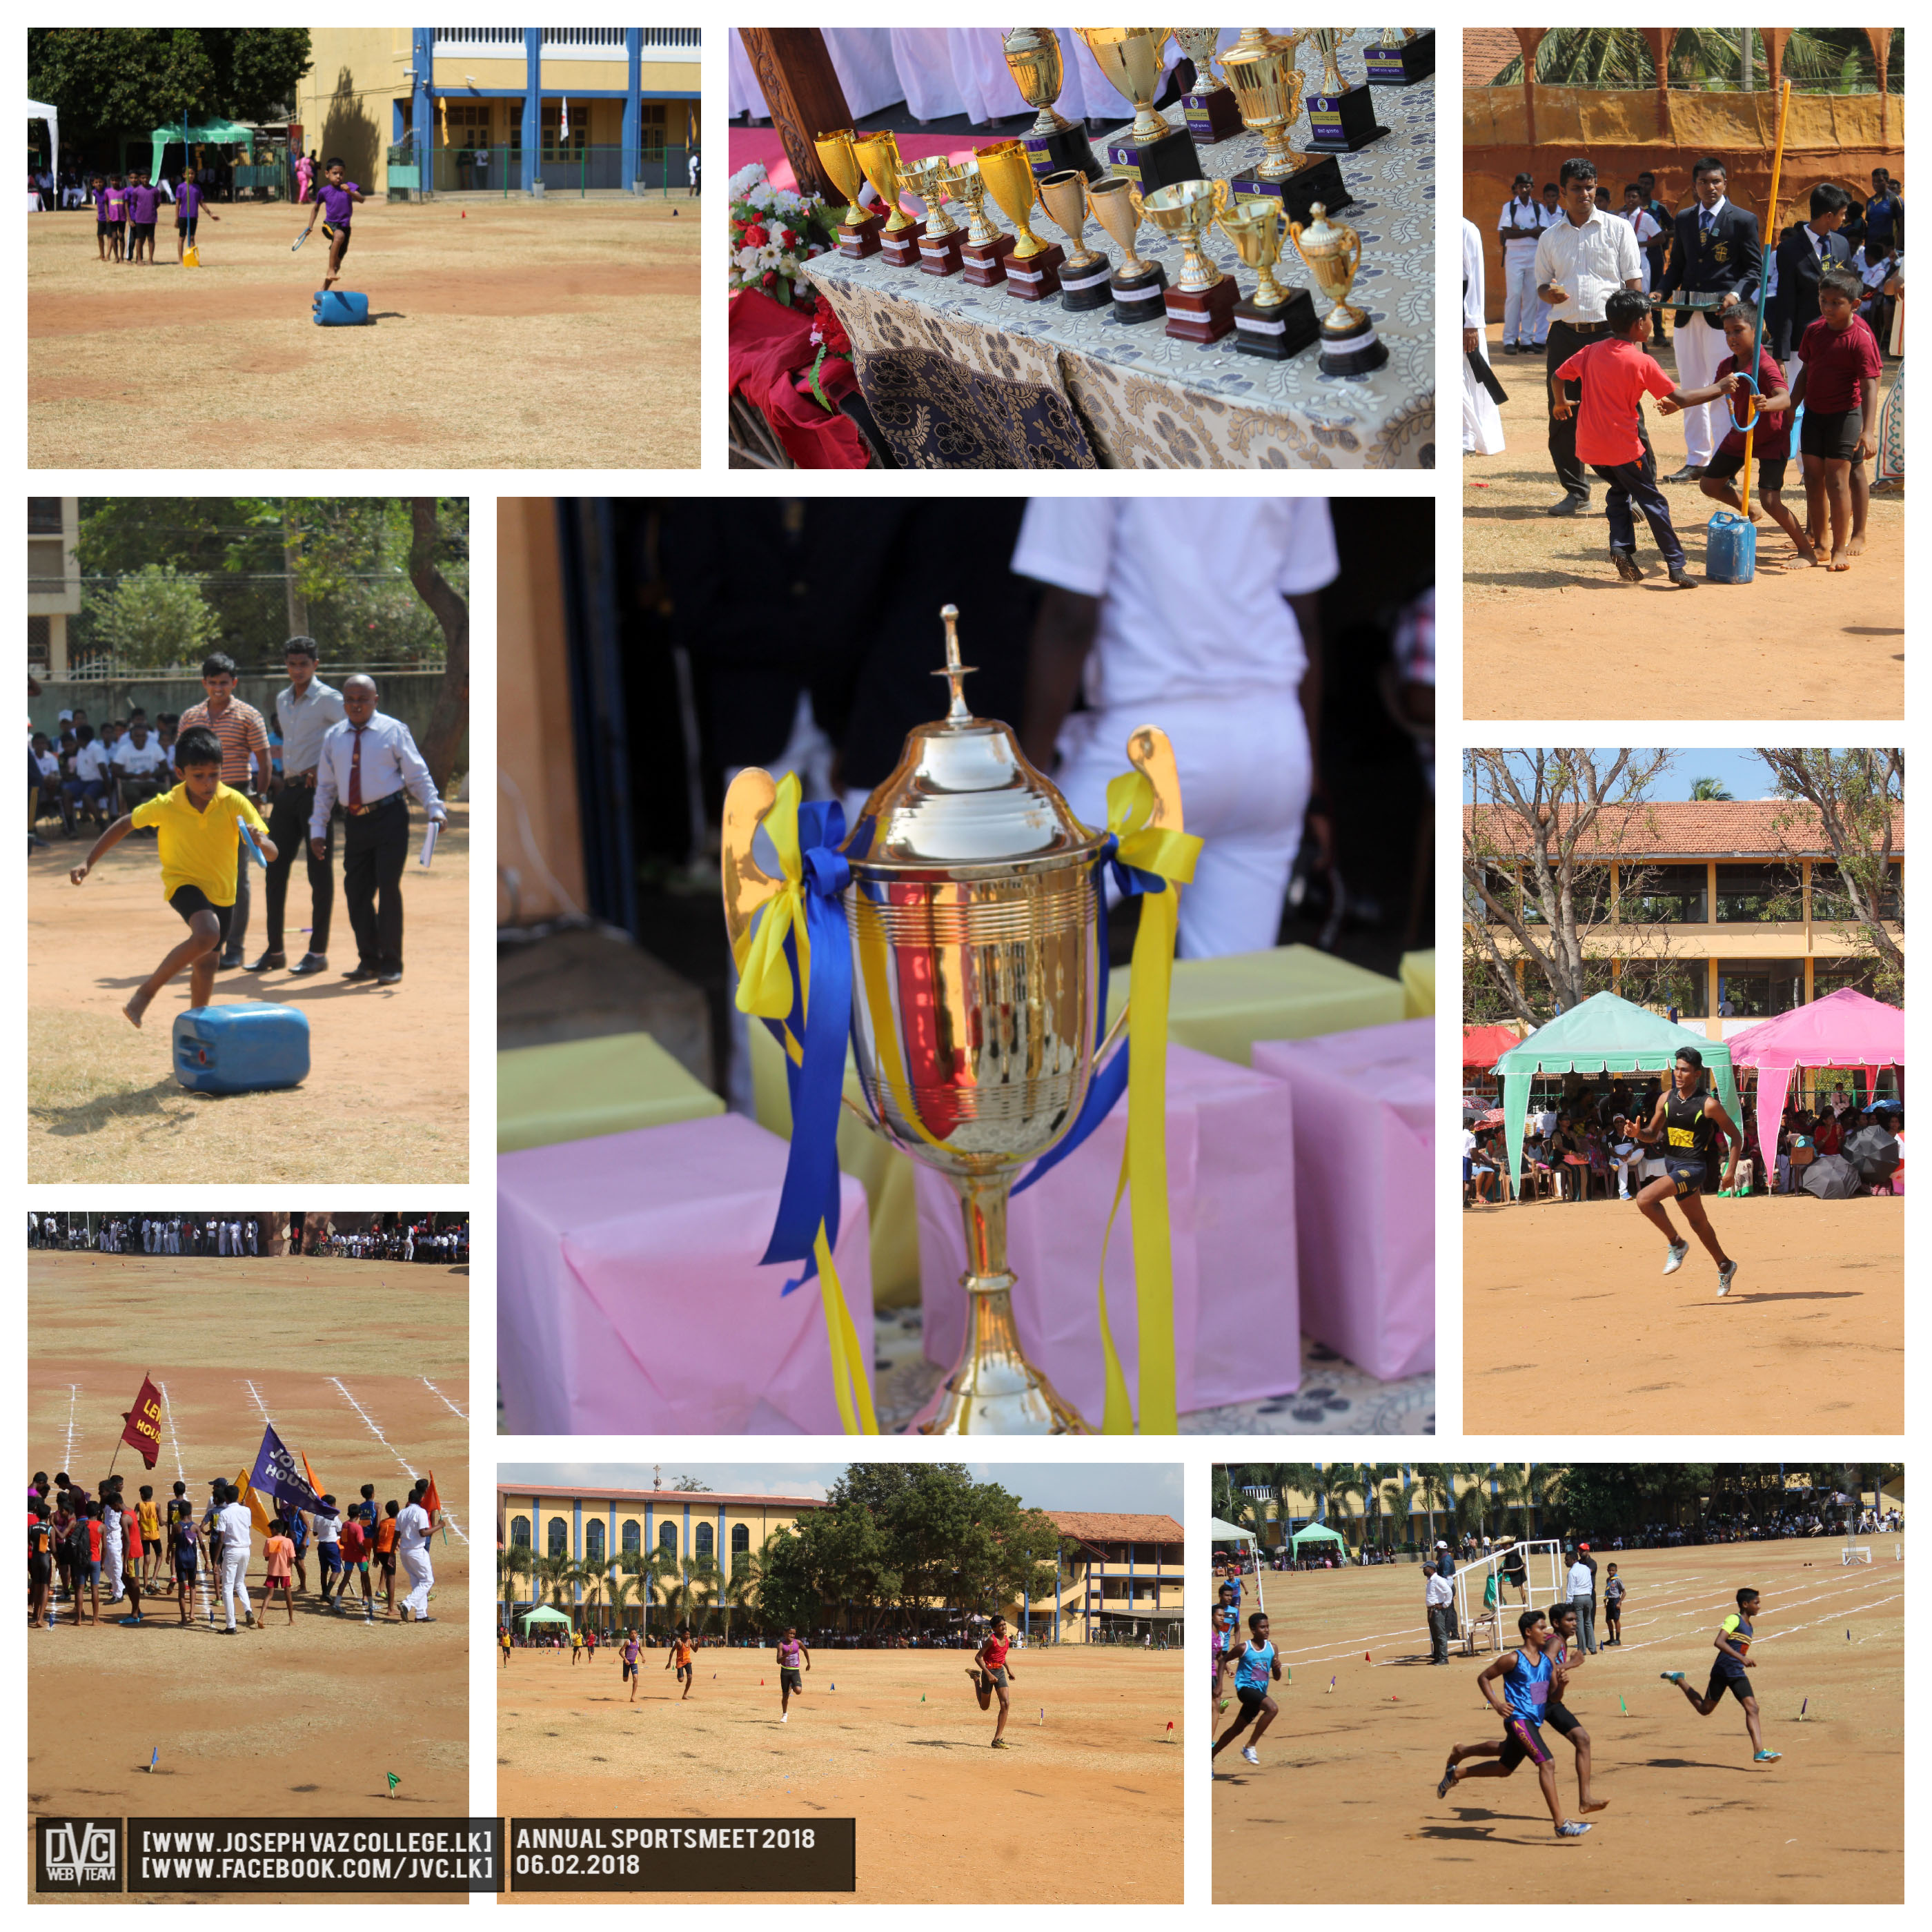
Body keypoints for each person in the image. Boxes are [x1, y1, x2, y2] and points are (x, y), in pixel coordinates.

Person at [1010, 499, 1337, 958]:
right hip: (1272, 735)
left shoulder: (1086, 432)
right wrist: (1311, 778)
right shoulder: (1301, 427)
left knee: (1018, 941)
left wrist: (1029, 779)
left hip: (1147, 740)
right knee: (1229, 991)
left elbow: (1070, 615)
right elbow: (1304, 617)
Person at [68, 724, 277, 1028]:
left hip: (223, 890)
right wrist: (88, 862)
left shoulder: (234, 801)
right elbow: (126, 824)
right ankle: (145, 993)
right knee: (207, 933)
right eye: (199, 775)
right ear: (181, 773)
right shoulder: (167, 805)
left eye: (215, 774)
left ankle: (196, 1031)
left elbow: (271, 855)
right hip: (183, 882)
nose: (208, 783)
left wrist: (261, 841)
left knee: (207, 966)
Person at [1550, 287, 1739, 587]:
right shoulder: (1641, 361)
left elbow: (1558, 376)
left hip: (1590, 447)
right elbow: (1681, 397)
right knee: (1653, 501)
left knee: (1618, 490)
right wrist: (1721, 387)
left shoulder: (1592, 351)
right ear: (1639, 324)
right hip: (1624, 448)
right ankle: (1676, 564)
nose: (1653, 323)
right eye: (1651, 317)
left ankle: (1621, 548)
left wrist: (1560, 402)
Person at [310, 675, 445, 985]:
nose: (356, 705)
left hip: (389, 818)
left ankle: (391, 963)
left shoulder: (393, 731)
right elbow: (326, 788)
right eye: (350, 699)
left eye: (363, 699)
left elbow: (417, 774)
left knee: (388, 889)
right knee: (356, 893)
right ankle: (368, 960)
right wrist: (318, 828)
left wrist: (434, 808)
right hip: (355, 823)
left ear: (376, 701)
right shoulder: (334, 737)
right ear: (343, 702)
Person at [1533, 155, 1645, 515]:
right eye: (1577, 189)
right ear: (1562, 192)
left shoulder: (1618, 229)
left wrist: (1637, 339)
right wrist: (1547, 294)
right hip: (1566, 335)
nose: (1584, 195)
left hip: (1611, 336)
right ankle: (1576, 491)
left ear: (1596, 188)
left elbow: (1633, 282)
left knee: (1624, 415)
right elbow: (1540, 285)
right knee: (1563, 413)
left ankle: (1634, 491)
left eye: (1590, 188)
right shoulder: (1550, 237)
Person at [1436, 1608, 1591, 1837]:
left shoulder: (1546, 1663)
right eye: (1541, 1628)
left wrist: (1563, 1685)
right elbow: (1484, 1677)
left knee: (1504, 1768)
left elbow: (1551, 1699)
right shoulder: (1513, 1659)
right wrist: (1497, 1704)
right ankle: (1560, 1824)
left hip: (1532, 1721)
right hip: (1518, 1720)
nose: (1545, 1632)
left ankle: (1456, 1773)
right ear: (1528, 1632)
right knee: (1547, 1763)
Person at [1655, 157, 1764, 481]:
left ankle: (1723, 461)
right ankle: (1697, 457)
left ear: (1725, 183)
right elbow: (1677, 266)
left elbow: (1754, 269)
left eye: (1716, 181)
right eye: (1703, 182)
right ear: (1695, 185)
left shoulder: (1743, 219)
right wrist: (1661, 290)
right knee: (1690, 386)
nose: (1710, 187)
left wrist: (1736, 294)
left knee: (1723, 388)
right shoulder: (1686, 218)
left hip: (1723, 318)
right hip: (1689, 316)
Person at [1697, 302, 1817, 565]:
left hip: (1772, 438)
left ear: (1757, 329)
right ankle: (1749, 510)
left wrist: (1767, 404)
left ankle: (1807, 551)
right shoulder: (1727, 364)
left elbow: (1785, 398)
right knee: (1710, 485)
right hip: (1741, 434)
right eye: (1727, 332)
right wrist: (1678, 402)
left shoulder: (1764, 364)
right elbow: (1713, 391)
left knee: (1771, 500)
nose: (1731, 338)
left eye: (1738, 331)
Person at [1616, 1045, 1742, 1294]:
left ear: (1697, 1074)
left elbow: (1736, 1137)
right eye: (1676, 1068)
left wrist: (1730, 1170)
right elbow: (1652, 1134)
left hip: (1694, 1168)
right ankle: (1725, 1265)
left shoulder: (1708, 1105)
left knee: (1644, 1199)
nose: (1678, 1073)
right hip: (1673, 1165)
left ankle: (1677, 1244)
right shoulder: (1666, 1099)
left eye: (1685, 1070)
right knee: (1698, 1223)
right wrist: (1638, 1133)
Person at [253, 635, 344, 974]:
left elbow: (353, 731)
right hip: (287, 792)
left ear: (315, 665)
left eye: (304, 664)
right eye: (291, 664)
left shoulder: (330, 699)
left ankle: (317, 953)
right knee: (274, 867)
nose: (297, 670)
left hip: (316, 794)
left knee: (318, 873)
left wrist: (326, 768)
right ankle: (275, 951)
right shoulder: (283, 699)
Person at [1793, 269, 1884, 571]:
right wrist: (1792, 408)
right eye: (1823, 300)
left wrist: (1868, 431)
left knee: (1838, 481)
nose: (1828, 308)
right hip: (1814, 415)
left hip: (1846, 416)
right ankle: (1819, 544)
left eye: (1836, 302)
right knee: (1813, 482)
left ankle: (1839, 549)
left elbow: (1871, 383)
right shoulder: (1814, 331)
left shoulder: (1860, 337)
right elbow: (1806, 371)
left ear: (1855, 305)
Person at [1661, 1586, 1782, 1763]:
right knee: (1705, 1710)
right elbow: (1719, 1642)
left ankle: (1759, 1752)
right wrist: (1742, 1658)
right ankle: (1679, 1679)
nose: (1759, 1606)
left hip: (1735, 1671)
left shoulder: (1750, 1627)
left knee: (1752, 1708)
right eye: (1756, 1603)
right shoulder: (1734, 1619)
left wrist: (1741, 1660)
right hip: (1724, 1669)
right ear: (1745, 1604)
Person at [1772, 184, 1852, 368]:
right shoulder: (1789, 249)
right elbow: (1785, 301)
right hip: (1802, 343)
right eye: (1842, 214)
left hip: (1839, 339)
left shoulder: (1842, 244)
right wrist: (1781, 353)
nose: (1845, 219)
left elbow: (1851, 291)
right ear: (1829, 216)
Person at [1212, 1610, 1281, 1766]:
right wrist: (1221, 1684)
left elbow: (1277, 1677)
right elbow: (1223, 1660)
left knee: (1237, 1729)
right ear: (1253, 1630)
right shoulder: (1244, 1648)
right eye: (1262, 1627)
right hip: (1245, 1689)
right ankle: (1250, 1746)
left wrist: (1277, 1668)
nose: (1267, 1630)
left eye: (1268, 1626)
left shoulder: (1273, 1648)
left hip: (1259, 1693)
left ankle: (1210, 1756)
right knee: (1272, 1709)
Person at [1463, 217, 1506, 455]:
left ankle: (1467, 438)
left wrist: (1472, 324)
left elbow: (1475, 278)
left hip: (1463, 312)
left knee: (1468, 377)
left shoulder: (1467, 229)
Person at [1498, 172, 1546, 353]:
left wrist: (1520, 229)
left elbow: (1543, 231)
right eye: (1520, 186)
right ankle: (1509, 340)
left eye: (1527, 186)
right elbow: (1507, 234)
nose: (1523, 189)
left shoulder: (1538, 208)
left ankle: (1526, 340)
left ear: (1531, 188)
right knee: (1514, 296)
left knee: (1531, 298)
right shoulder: (1509, 207)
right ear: (1516, 188)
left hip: (1534, 256)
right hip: (1514, 257)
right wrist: (1530, 231)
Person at [301, 157, 365, 292]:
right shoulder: (324, 191)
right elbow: (316, 208)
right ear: (327, 174)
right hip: (329, 225)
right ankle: (330, 269)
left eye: (341, 174)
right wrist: (310, 226)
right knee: (339, 236)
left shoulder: (350, 187)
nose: (338, 176)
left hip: (346, 228)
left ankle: (323, 289)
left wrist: (350, 192)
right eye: (335, 173)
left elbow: (362, 199)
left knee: (337, 264)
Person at [969, 1614, 1017, 1747]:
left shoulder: (1007, 1640)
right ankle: (976, 1679)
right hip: (988, 1673)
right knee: (984, 1707)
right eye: (1000, 1626)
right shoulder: (991, 1640)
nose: (1004, 1627)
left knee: (1006, 1703)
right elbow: (978, 1658)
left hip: (1000, 1672)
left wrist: (1009, 1670)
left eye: (1004, 1624)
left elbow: (1002, 1656)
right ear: (995, 1628)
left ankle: (997, 1739)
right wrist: (988, 1674)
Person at [215, 1481, 255, 1633]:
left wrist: (216, 1560)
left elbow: (221, 1538)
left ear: (225, 1497)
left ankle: (231, 1625)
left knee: (227, 1587)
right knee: (240, 1583)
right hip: (246, 1549)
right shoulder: (247, 1511)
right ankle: (248, 1610)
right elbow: (247, 1526)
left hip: (232, 1550)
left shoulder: (224, 1513)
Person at [110, 718, 170, 814]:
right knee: (133, 795)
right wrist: (135, 776)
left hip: (151, 782)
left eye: (143, 736)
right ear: (132, 737)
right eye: (137, 736)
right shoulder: (124, 750)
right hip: (131, 783)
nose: (140, 739)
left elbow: (165, 768)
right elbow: (115, 771)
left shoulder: (154, 748)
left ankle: (158, 821)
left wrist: (151, 775)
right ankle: (139, 823)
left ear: (147, 737)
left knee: (165, 791)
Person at [397, 1487, 435, 1621]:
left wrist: (391, 1553)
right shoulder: (421, 1512)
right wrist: (440, 1526)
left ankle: (421, 1614)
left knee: (416, 1580)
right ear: (421, 1500)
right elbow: (423, 1533)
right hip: (417, 1551)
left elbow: (397, 1534)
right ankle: (407, 1604)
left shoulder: (402, 1513)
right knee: (428, 1580)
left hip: (404, 1551)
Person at [175, 167, 219, 264]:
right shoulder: (180, 187)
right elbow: (178, 204)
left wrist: (210, 214)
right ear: (184, 175)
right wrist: (176, 218)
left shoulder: (197, 188)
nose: (190, 176)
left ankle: (193, 258)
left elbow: (201, 203)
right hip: (183, 216)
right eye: (188, 174)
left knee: (192, 237)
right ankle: (180, 259)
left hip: (194, 216)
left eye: (192, 173)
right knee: (182, 237)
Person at [260, 1516, 297, 1625]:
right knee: (288, 1595)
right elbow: (292, 1559)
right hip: (285, 1571)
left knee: (269, 1594)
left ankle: (261, 1617)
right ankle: (291, 1619)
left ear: (275, 1530)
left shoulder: (269, 1541)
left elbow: (267, 1557)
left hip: (273, 1571)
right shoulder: (288, 1541)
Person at [1566, 1547, 1596, 1654]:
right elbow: (1590, 1583)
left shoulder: (1572, 1572)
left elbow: (1570, 1589)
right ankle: (1593, 1648)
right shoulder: (1586, 1569)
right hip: (1588, 1597)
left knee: (1579, 1624)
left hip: (1578, 1598)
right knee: (1588, 1622)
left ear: (1574, 1559)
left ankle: (1582, 1649)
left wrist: (1568, 1603)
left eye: (1567, 1559)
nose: (1566, 1562)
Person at [777, 1626, 811, 1722]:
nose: (792, 1635)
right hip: (785, 1672)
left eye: (794, 1634)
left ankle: (792, 1685)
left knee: (798, 1691)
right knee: (785, 1695)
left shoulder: (798, 1643)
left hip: (795, 1671)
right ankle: (784, 1715)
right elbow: (778, 1661)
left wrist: (809, 1663)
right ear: (785, 1633)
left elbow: (805, 1650)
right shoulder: (781, 1645)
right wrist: (787, 1654)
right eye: (790, 1633)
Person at [1425, 1561, 1453, 1663]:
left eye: (1426, 1568)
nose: (1424, 1570)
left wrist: (1445, 1605)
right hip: (1431, 1610)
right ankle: (1438, 1656)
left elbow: (1449, 1592)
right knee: (1435, 1634)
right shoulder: (1430, 1581)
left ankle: (1444, 1658)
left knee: (1440, 1634)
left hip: (1437, 1611)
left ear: (1432, 1569)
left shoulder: (1438, 1580)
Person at [666, 1625, 696, 1698]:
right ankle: (680, 1674)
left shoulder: (690, 1641)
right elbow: (672, 1651)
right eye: (686, 1634)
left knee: (690, 1677)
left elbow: (695, 1650)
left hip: (688, 1661)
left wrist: (698, 1644)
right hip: (680, 1662)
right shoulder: (679, 1642)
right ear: (682, 1635)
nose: (688, 1636)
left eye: (689, 1634)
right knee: (681, 1680)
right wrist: (669, 1663)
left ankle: (685, 1695)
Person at [1602, 1563, 1625, 1646]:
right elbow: (1608, 1590)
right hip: (1610, 1601)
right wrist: (1605, 1600)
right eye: (1610, 1570)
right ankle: (1611, 1639)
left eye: (1613, 1570)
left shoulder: (1618, 1580)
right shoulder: (1608, 1580)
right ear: (1607, 1570)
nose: (1611, 1572)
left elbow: (1624, 1592)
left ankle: (1618, 1640)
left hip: (1616, 1601)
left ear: (1616, 1571)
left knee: (1616, 1620)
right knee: (1608, 1620)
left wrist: (1620, 1602)